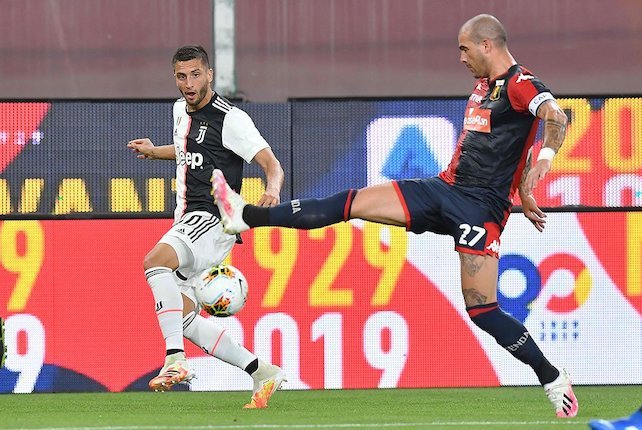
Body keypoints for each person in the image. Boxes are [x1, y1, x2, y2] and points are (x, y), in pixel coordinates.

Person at [211, 14, 578, 417]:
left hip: (480, 208)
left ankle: (552, 377)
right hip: (445, 188)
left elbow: (557, 118)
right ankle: (245, 216)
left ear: (487, 45)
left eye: (464, 48)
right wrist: (523, 184)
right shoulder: (482, 87)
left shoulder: (521, 84)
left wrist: (542, 163)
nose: (461, 57)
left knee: (482, 310)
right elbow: (506, 145)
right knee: (350, 202)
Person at [127, 45, 286, 409]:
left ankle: (174, 360)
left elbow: (271, 162)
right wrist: (156, 151)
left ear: (210, 74)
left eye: (196, 74)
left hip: (212, 217)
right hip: (188, 217)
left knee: (154, 262)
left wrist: (272, 189)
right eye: (182, 76)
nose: (189, 83)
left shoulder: (231, 119)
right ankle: (262, 371)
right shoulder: (179, 110)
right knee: (181, 317)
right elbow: (187, 150)